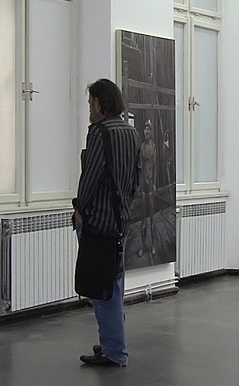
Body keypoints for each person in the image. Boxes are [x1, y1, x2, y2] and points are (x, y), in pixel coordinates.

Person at [73, 79, 140, 367]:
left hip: (98, 221)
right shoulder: (131, 133)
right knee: (114, 284)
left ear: (101, 104)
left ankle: (114, 350)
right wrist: (123, 208)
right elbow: (136, 178)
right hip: (120, 220)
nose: (90, 108)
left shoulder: (99, 133)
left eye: (91, 103)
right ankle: (112, 342)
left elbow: (90, 176)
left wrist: (80, 209)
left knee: (102, 290)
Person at [138, 120, 156, 258]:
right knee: (143, 217)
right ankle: (143, 246)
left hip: (150, 182)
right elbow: (139, 166)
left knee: (152, 217)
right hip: (143, 182)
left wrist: (154, 183)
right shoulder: (141, 147)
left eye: (148, 129)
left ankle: (153, 245)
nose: (146, 132)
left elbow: (155, 166)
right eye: (145, 129)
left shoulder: (153, 147)